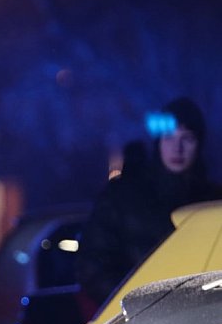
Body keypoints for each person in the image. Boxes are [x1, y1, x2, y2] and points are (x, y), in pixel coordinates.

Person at [76, 97, 222, 311]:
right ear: (158, 141)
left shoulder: (212, 201)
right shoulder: (123, 195)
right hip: (134, 318)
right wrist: (138, 306)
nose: (177, 147)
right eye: (169, 137)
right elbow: (93, 267)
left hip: (201, 318)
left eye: (187, 138)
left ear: (199, 144)